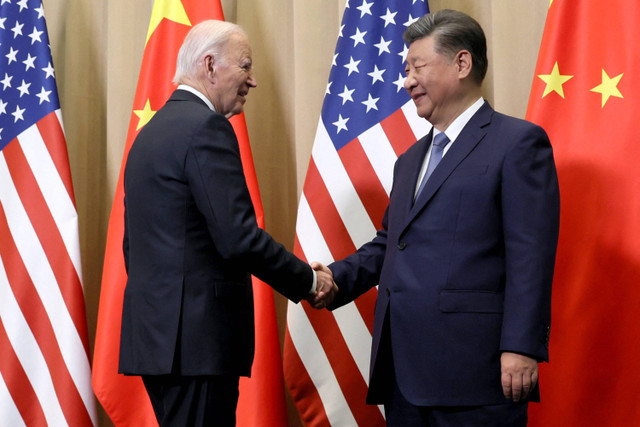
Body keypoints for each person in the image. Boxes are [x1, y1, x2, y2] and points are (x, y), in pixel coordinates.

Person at [313, 9, 560, 426]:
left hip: (475, 373)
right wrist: (335, 279)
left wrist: (522, 346)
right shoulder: (409, 160)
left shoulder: (517, 143)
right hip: (404, 371)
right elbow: (390, 242)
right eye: (405, 69)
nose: (407, 81)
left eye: (416, 67)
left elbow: (530, 255)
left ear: (462, 64)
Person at [118, 20, 337, 427]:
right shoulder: (207, 129)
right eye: (245, 66)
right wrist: (307, 280)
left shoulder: (148, 135)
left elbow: (135, 246)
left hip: (157, 341)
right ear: (210, 65)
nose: (252, 81)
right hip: (198, 345)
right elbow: (237, 237)